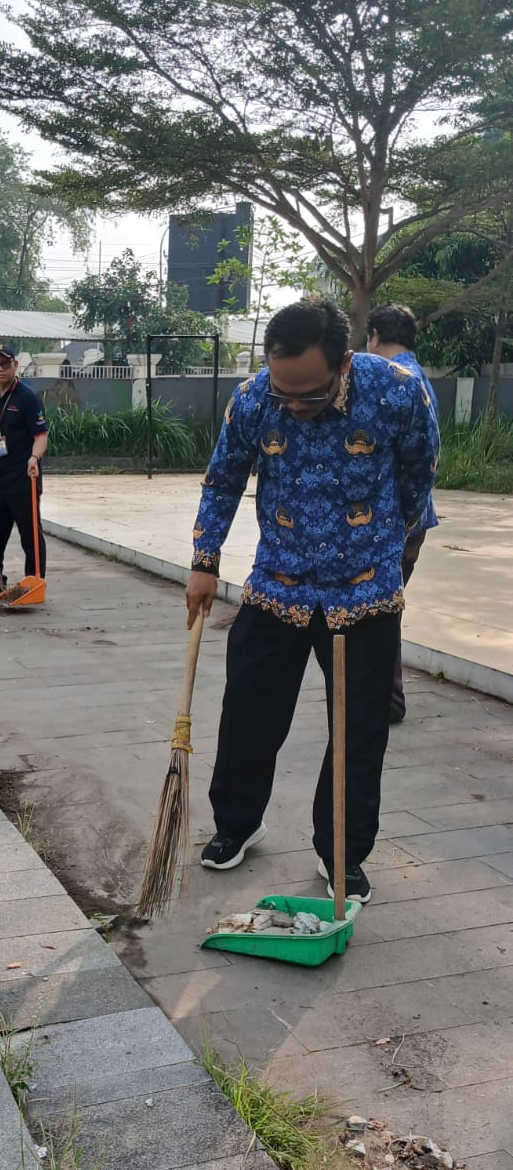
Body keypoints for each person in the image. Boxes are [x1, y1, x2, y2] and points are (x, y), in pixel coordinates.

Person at [187, 297, 438, 905]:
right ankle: (237, 825)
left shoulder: (397, 392)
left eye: (311, 395)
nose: (295, 407)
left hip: (365, 594)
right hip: (278, 583)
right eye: (285, 393)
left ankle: (344, 854)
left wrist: (383, 549)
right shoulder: (252, 398)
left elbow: (418, 473)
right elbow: (223, 478)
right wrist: (204, 560)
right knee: (248, 711)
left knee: (358, 730)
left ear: (343, 362)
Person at [366, 303, 439, 723]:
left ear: (375, 334)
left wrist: (401, 520)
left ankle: (386, 700)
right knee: (385, 608)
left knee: (379, 610)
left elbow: (422, 460)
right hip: (412, 519)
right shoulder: (419, 377)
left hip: (396, 520)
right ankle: (385, 697)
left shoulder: (397, 380)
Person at [0, 346, 48, 596]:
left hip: (25, 476)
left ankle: (33, 583)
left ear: (15, 366)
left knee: (30, 535)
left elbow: (41, 435)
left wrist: (34, 457)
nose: (0, 369)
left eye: (5, 364)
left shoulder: (27, 397)